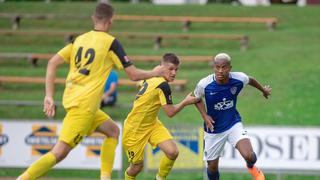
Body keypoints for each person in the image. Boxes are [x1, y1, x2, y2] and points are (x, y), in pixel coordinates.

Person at [18, 3, 167, 180]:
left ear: (93, 18)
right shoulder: (110, 43)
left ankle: (105, 177)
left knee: (112, 131)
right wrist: (156, 72)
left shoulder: (79, 39)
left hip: (78, 102)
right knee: (59, 152)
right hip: (84, 107)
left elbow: (52, 62)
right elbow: (133, 75)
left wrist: (49, 96)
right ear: (111, 21)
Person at [193, 53, 271, 180]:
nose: (220, 71)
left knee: (250, 156)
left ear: (230, 68)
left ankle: (251, 167)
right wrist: (205, 116)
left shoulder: (239, 79)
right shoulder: (204, 84)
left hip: (232, 123)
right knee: (212, 168)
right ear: (213, 67)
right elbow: (196, 98)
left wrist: (263, 90)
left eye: (224, 67)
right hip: (213, 129)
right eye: (217, 67)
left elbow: (250, 80)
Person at [123, 53, 199, 180]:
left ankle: (160, 178)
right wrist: (186, 101)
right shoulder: (163, 86)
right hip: (134, 130)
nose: (174, 73)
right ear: (161, 67)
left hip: (152, 124)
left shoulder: (152, 76)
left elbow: (140, 83)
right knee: (136, 167)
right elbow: (170, 113)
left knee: (172, 152)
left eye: (176, 69)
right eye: (170, 69)